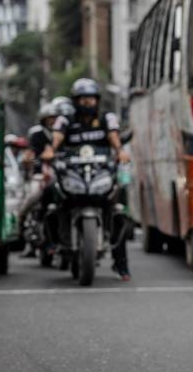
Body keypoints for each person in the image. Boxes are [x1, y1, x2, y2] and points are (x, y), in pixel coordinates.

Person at [42, 78, 132, 281]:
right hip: (72, 175)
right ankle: (52, 242)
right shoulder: (65, 120)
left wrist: (120, 152)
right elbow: (56, 137)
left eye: (91, 99)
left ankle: (121, 264)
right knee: (51, 199)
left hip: (100, 175)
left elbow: (113, 136)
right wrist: (51, 150)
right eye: (83, 99)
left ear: (97, 100)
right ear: (75, 101)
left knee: (118, 212)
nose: (87, 103)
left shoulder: (106, 118)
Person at [18, 102, 59, 258]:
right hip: (40, 175)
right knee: (33, 197)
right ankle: (22, 226)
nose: (53, 121)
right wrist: (36, 162)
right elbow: (30, 156)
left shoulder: (65, 133)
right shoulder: (37, 134)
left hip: (61, 175)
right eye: (50, 118)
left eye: (56, 118)